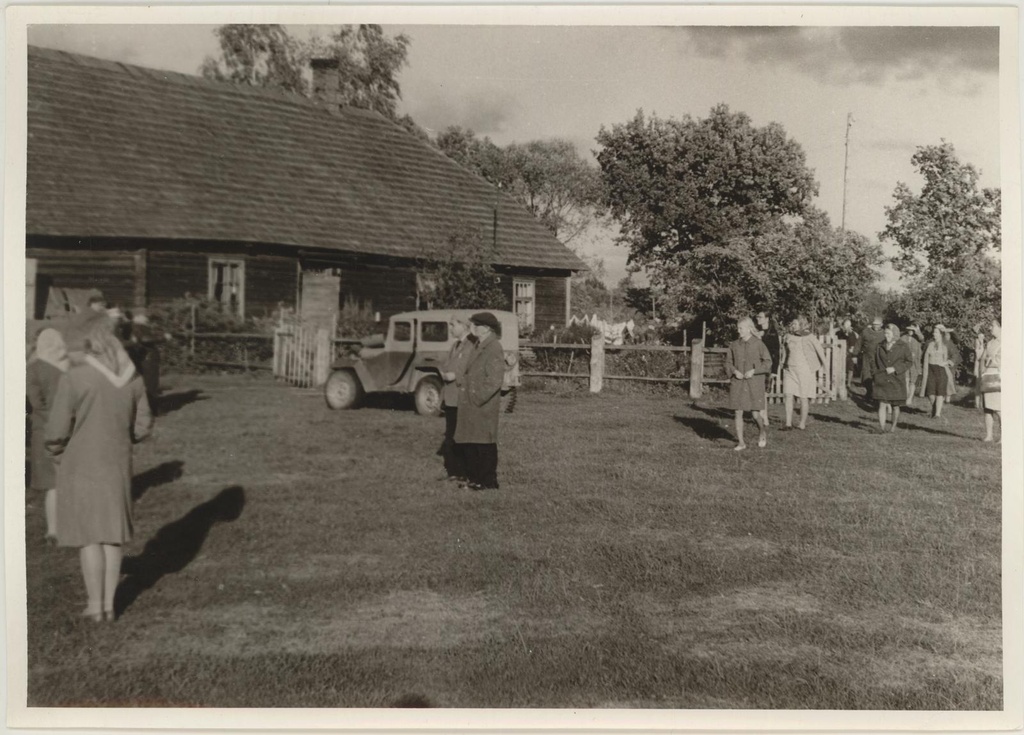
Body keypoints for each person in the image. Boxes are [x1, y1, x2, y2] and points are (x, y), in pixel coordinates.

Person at [45, 317, 152, 622]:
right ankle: (110, 604)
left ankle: (95, 605)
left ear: (90, 343)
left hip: (81, 460)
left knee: (90, 536)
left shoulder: (76, 377)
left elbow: (56, 430)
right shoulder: (134, 378)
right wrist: (121, 437)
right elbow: (143, 426)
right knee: (112, 535)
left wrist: (57, 452)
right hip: (118, 460)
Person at [453, 312, 506, 490]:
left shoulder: (494, 347)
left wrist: (476, 397)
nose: (472, 328)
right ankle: (475, 479)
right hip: (472, 402)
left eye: (476, 325)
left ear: (486, 328)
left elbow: (494, 380)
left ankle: (487, 482)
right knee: (472, 442)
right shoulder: (478, 344)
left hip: (482, 405)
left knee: (484, 443)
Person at [27, 328, 69, 543]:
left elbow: (35, 403)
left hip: (42, 430)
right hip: (68, 428)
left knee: (51, 484)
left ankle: (53, 529)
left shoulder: (32, 369)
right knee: (69, 479)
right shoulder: (68, 367)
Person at [725, 317, 771, 451]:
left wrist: (755, 371)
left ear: (749, 329)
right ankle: (741, 443)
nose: (738, 331)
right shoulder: (734, 345)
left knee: (755, 414)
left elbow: (768, 362)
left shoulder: (758, 344)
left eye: (741, 328)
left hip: (754, 383)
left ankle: (762, 430)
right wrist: (734, 371)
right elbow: (728, 362)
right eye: (738, 328)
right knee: (738, 411)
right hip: (738, 383)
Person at [439, 316, 475, 481]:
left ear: (463, 325)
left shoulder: (472, 345)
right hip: (451, 397)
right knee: (451, 435)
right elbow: (446, 366)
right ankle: (454, 471)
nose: (450, 328)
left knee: (461, 436)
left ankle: (464, 471)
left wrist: (456, 375)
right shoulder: (455, 345)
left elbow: (471, 368)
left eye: (453, 325)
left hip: (462, 398)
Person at [782, 316, 826, 431]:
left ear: (801, 324)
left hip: (804, 370)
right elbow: (785, 352)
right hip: (790, 370)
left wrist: (824, 367)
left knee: (803, 397)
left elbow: (820, 351)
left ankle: (802, 423)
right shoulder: (788, 336)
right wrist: (783, 363)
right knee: (788, 394)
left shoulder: (809, 337)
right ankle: (788, 424)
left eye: (795, 324)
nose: (792, 326)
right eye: (792, 324)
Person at [871, 323, 912, 432]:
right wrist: (875, 373)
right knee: (882, 404)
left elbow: (909, 362)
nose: (886, 336)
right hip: (882, 378)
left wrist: (895, 368)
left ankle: (893, 427)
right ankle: (882, 428)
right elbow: (874, 361)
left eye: (888, 333)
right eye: (885, 333)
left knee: (895, 405)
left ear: (894, 334)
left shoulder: (903, 346)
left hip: (896, 380)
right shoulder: (880, 346)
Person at [921, 324, 959, 418]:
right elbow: (923, 357)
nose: (934, 334)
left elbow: (955, 355)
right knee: (930, 393)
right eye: (934, 332)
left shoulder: (947, 344)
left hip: (941, 370)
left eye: (936, 332)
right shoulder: (929, 344)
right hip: (930, 369)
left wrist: (947, 362)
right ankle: (935, 408)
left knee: (940, 392)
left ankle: (937, 414)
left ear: (941, 334)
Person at [754, 312, 780, 426]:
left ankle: (764, 417)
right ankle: (761, 415)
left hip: (767, 365)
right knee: (757, 391)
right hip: (756, 364)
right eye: (757, 317)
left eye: (760, 317)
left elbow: (776, 353)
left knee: (763, 392)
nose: (758, 319)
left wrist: (774, 370)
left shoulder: (773, 334)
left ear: (767, 318)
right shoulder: (755, 331)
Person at [980, 320, 1001, 442]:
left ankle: (1004, 437)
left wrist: (989, 361)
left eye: (992, 325)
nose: (989, 328)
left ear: (999, 326)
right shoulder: (990, 342)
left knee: (998, 407)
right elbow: (983, 357)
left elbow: (1001, 361)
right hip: (987, 375)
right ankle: (989, 435)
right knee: (987, 407)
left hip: (998, 376)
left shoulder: (1005, 341)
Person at [858, 316, 886, 394]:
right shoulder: (865, 332)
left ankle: (876, 393)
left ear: (881, 324)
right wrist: (854, 354)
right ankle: (869, 392)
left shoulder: (884, 333)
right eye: (874, 324)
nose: (875, 326)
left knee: (877, 375)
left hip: (879, 358)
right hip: (867, 356)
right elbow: (859, 343)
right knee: (866, 374)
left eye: (877, 324)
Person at [901, 325, 924, 408]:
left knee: (912, 381)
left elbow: (921, 338)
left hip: (915, 363)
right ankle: (906, 397)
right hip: (905, 362)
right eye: (909, 330)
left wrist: (917, 330)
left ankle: (910, 398)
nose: (910, 331)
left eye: (912, 330)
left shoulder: (917, 339)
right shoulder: (903, 338)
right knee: (906, 380)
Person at [836, 318, 860, 389]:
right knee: (841, 368)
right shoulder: (839, 333)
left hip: (849, 353)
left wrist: (852, 352)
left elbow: (853, 344)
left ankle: (848, 383)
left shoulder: (852, 334)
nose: (847, 326)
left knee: (850, 368)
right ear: (843, 325)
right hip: (840, 352)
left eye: (849, 325)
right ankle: (840, 382)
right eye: (846, 325)